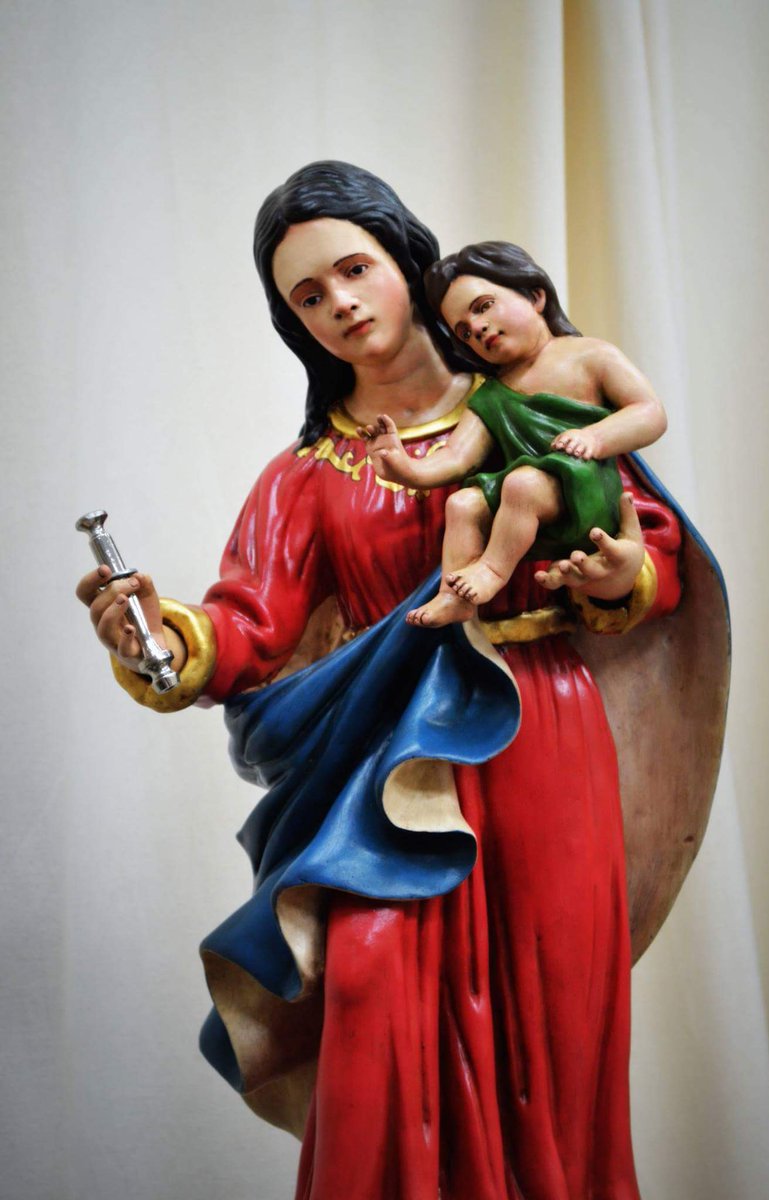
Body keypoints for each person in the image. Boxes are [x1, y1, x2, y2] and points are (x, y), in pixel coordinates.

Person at [76, 161, 690, 1200]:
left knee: (550, 1025)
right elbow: (246, 624)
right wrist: (155, 638)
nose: (340, 304)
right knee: (366, 989)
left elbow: (652, 544)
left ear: (407, 260)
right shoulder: (308, 475)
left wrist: (622, 570)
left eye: (354, 269)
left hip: (537, 739)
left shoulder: (532, 394)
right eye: (307, 296)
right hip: (387, 763)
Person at [359, 241, 667, 629]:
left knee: (522, 483)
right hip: (529, 507)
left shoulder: (590, 356)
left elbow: (649, 412)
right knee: (463, 504)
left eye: (483, 306)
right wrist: (403, 468)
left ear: (535, 295)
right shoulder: (493, 395)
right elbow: (456, 457)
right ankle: (453, 598)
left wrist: (597, 437)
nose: (477, 328)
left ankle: (491, 570)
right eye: (464, 332)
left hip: (585, 492)